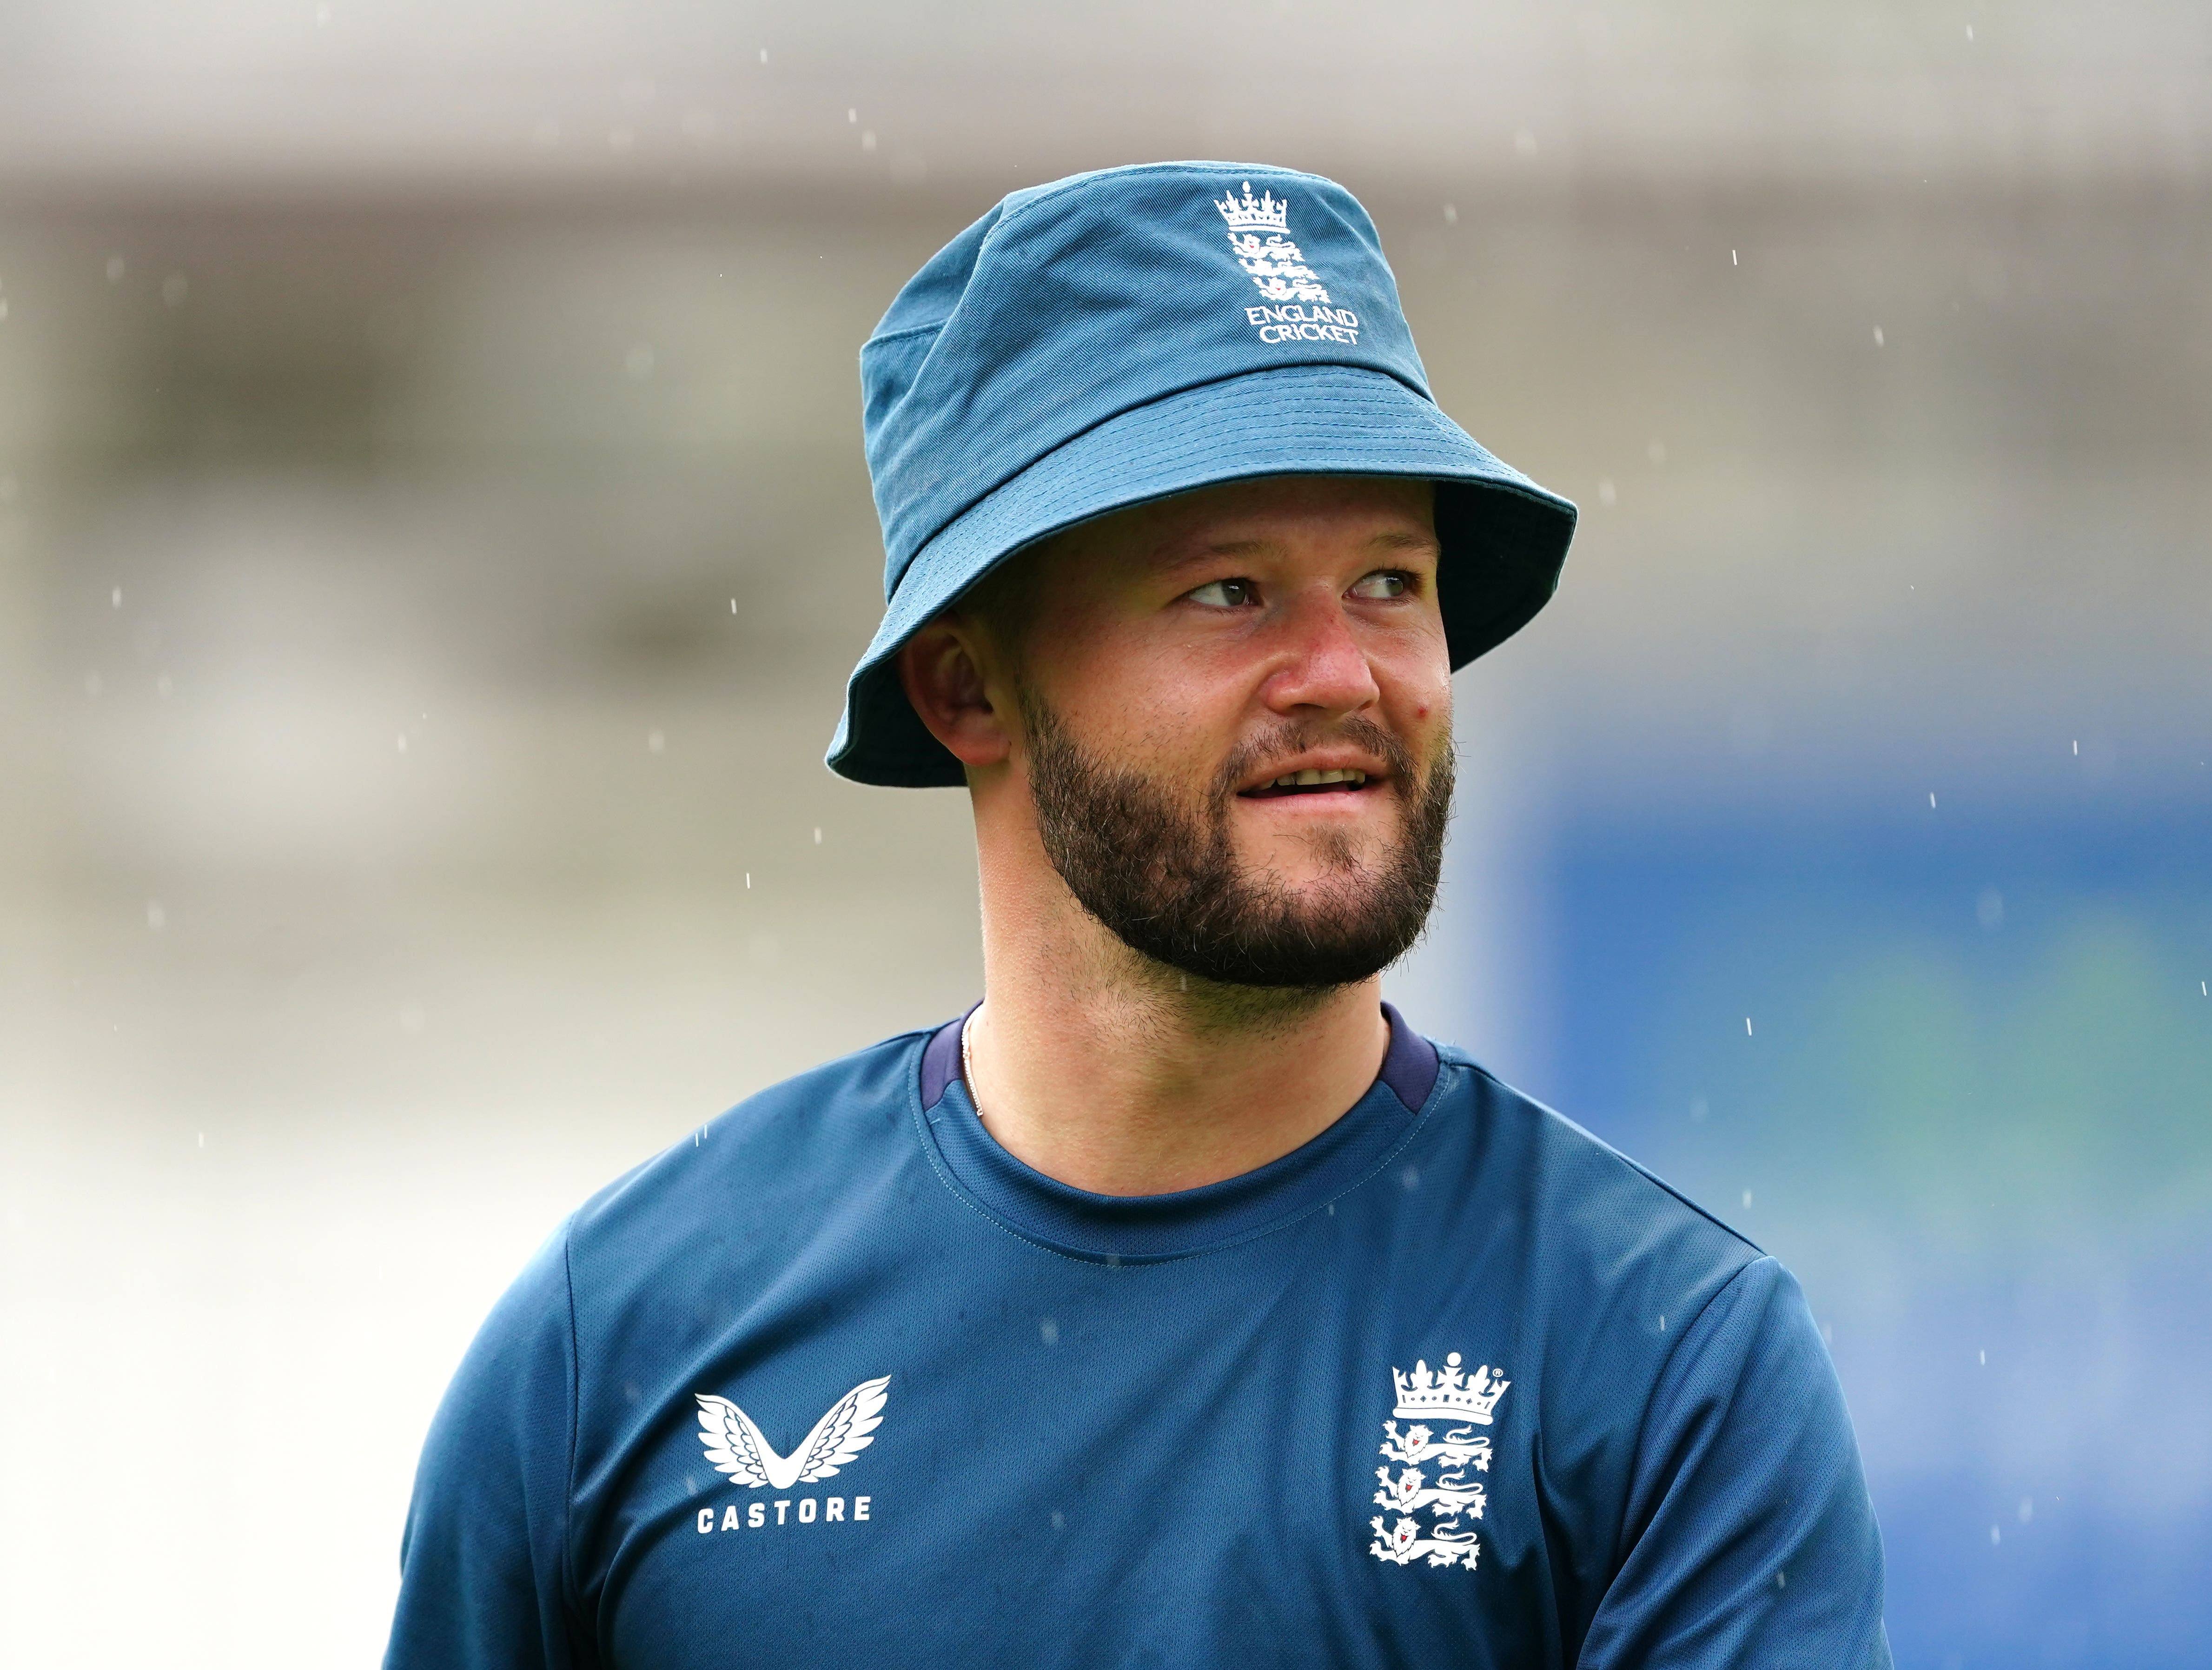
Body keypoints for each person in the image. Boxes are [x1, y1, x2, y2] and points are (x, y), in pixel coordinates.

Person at [385, 161, 1890, 1670]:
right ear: (968, 687)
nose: (1339, 672)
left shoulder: (1663, 1357)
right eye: (1227, 591)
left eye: (1387, 579)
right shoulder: (624, 1345)